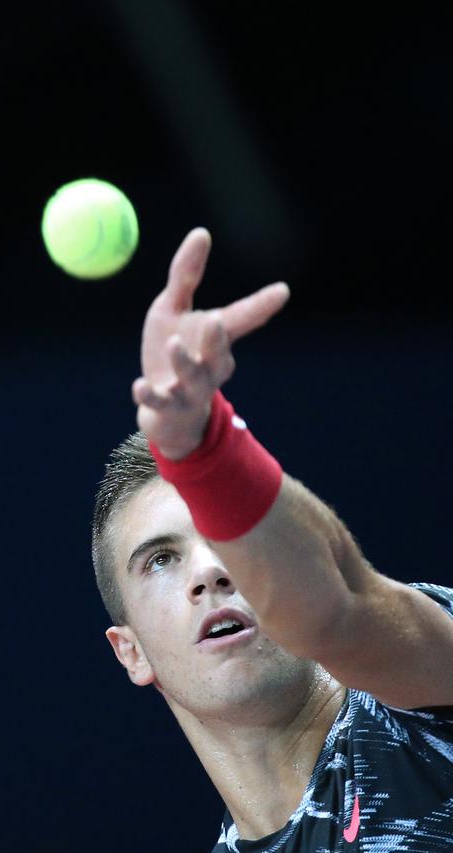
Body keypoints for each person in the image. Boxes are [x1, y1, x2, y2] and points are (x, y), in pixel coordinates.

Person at [91, 228, 453, 852]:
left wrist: (205, 449)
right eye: (161, 559)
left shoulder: (420, 699)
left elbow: (338, 608)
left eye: (224, 537)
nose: (210, 571)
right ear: (132, 654)